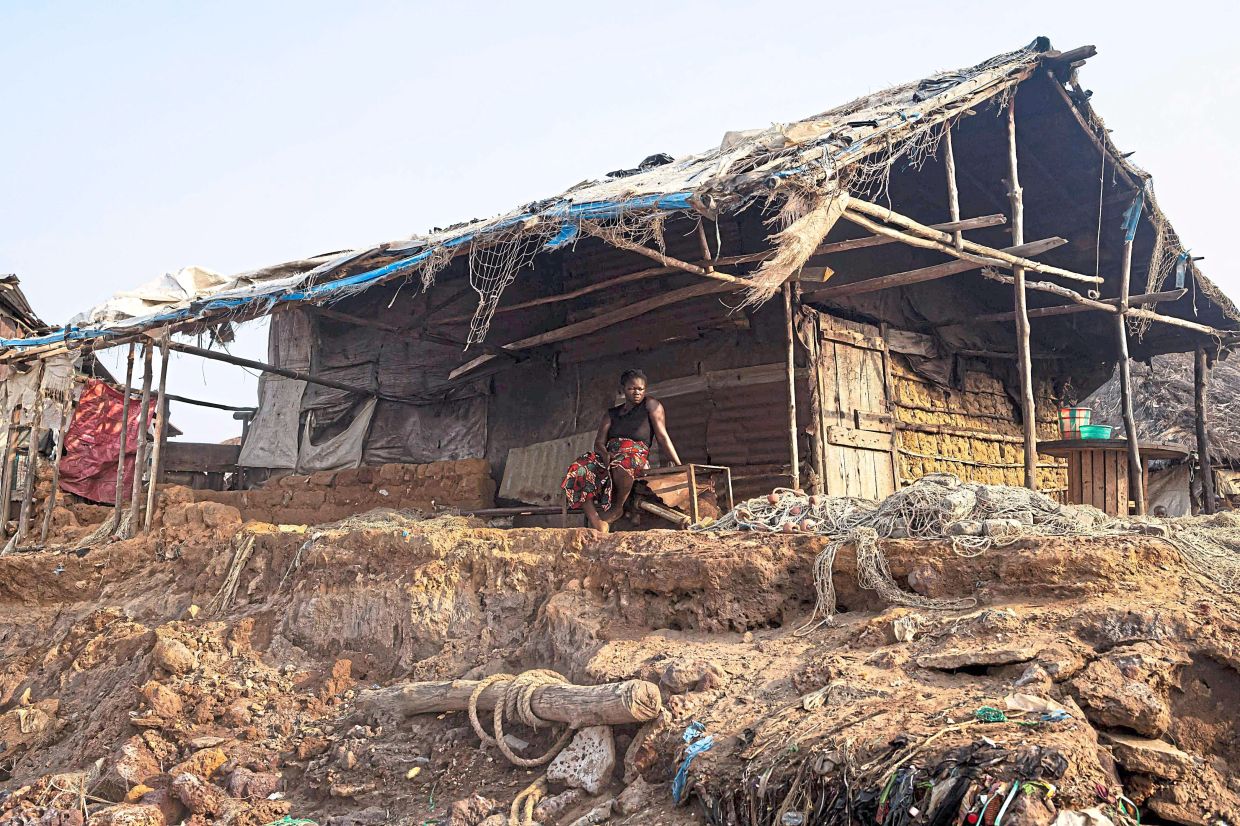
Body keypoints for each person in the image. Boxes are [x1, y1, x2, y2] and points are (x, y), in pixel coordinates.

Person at [561, 369, 682, 532]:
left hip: (634, 454)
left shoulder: (650, 405)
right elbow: (599, 442)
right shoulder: (612, 414)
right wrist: (605, 454)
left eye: (641, 389)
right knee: (579, 469)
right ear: (623, 389)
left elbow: (662, 436)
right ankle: (597, 521)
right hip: (608, 454)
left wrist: (678, 464)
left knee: (623, 464)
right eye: (632, 388)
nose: (637, 392)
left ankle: (618, 507)